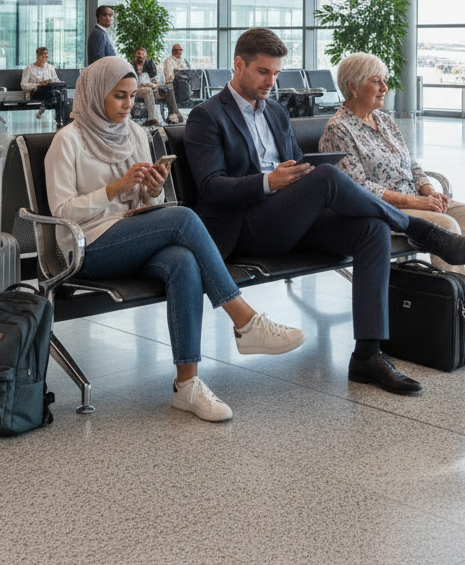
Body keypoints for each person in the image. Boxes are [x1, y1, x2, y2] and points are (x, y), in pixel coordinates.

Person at [183, 28, 465, 396]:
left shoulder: (276, 112)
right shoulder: (207, 116)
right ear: (239, 64)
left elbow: (295, 163)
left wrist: (299, 174)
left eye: (277, 73)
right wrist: (269, 182)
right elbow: (210, 187)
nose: (272, 81)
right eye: (264, 72)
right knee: (329, 177)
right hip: (245, 225)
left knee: (372, 228)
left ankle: (367, 355)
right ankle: (422, 231)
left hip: (289, 216)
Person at [45, 57, 306, 422]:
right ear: (94, 94)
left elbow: (152, 205)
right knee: (183, 217)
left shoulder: (135, 135)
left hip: (134, 236)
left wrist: (151, 191)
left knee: (182, 260)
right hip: (89, 247)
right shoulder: (68, 141)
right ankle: (245, 321)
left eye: (132, 97)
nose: (127, 105)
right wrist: (115, 188)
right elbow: (62, 212)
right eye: (119, 96)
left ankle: (187, 385)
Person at [320, 53, 465, 350]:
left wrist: (427, 190)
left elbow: (411, 165)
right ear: (354, 87)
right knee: (446, 224)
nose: (385, 87)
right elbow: (358, 187)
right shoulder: (339, 129)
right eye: (377, 82)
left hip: (412, 199)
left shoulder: (384, 121)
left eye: (384, 80)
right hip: (383, 210)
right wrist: (415, 201)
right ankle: (460, 315)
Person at [20, 46, 67, 126]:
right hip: (36, 93)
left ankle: (45, 107)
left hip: (50, 93)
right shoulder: (29, 68)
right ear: (37, 56)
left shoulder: (50, 67)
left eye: (46, 54)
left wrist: (55, 83)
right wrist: (38, 84)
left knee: (57, 90)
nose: (45, 56)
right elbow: (23, 85)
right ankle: (59, 119)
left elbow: (56, 80)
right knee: (53, 91)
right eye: (43, 54)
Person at [131, 46, 163, 125]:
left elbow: (153, 79)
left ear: (145, 56)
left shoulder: (148, 65)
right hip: (133, 88)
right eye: (138, 53)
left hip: (145, 88)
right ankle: (152, 118)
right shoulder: (130, 65)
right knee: (148, 90)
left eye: (143, 54)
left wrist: (155, 85)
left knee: (149, 90)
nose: (140, 55)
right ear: (135, 55)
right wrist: (146, 84)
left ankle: (153, 119)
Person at [162, 43, 189, 124]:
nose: (179, 52)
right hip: (174, 85)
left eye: (180, 50)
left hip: (185, 85)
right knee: (169, 89)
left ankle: (173, 115)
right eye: (176, 50)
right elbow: (168, 77)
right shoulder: (169, 61)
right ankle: (176, 114)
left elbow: (189, 73)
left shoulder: (184, 61)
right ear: (172, 51)